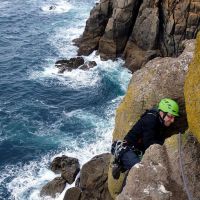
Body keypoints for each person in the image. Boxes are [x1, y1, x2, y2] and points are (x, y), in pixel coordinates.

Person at [111, 98, 179, 179]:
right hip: (127, 149)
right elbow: (149, 145)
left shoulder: (161, 122)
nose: (172, 120)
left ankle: (122, 165)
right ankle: (120, 164)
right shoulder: (150, 121)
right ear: (161, 113)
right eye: (170, 116)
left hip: (138, 150)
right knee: (142, 171)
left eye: (174, 117)